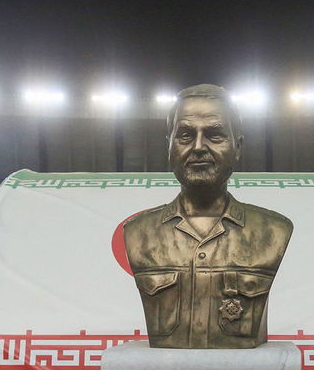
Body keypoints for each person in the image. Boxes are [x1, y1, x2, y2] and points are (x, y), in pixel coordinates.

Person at [123, 84, 293, 349]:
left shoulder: (273, 231)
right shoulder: (138, 232)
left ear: (237, 147)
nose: (198, 147)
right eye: (185, 135)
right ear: (168, 147)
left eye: (214, 135)